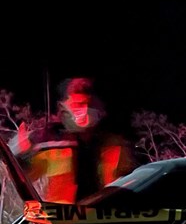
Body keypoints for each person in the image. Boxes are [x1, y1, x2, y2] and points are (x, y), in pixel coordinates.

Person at [8, 77, 137, 204]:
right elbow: (27, 176)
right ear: (63, 107)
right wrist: (21, 153)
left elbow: (133, 181)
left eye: (88, 104)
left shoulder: (114, 142)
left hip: (107, 217)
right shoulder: (50, 143)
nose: (84, 110)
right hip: (67, 220)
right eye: (77, 105)